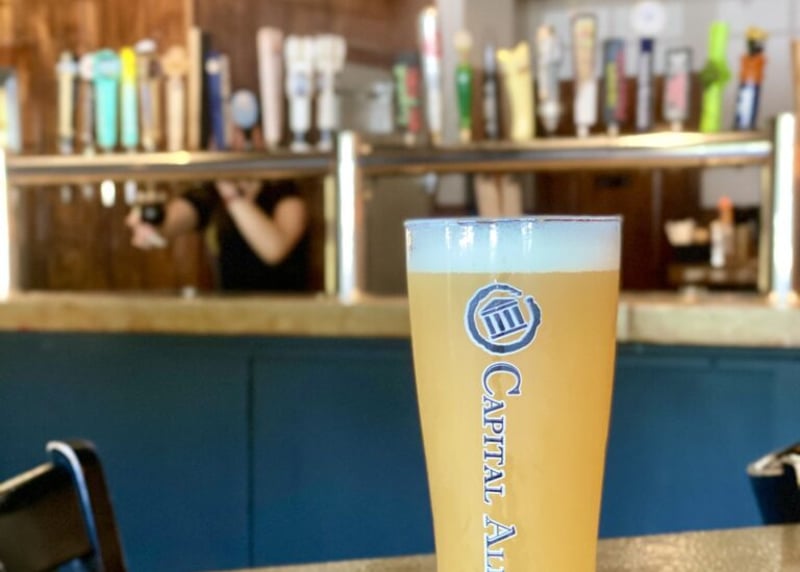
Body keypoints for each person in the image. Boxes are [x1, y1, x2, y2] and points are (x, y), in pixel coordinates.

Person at [126, 178, 310, 292]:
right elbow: (173, 219)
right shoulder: (210, 194)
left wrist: (228, 191)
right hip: (232, 321)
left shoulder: (284, 189)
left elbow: (274, 250)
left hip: (288, 320)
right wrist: (151, 224)